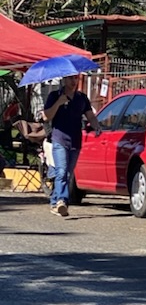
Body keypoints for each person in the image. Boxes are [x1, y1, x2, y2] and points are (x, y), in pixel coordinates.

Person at [42, 75, 102, 217]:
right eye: (70, 78)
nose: (73, 81)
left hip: (75, 141)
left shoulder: (81, 98)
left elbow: (90, 116)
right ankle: (62, 201)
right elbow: (46, 117)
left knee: (68, 175)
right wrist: (59, 102)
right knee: (61, 172)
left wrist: (97, 127)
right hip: (59, 140)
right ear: (64, 80)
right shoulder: (54, 95)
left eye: (75, 78)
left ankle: (55, 203)